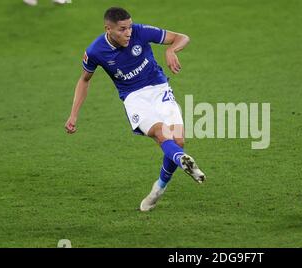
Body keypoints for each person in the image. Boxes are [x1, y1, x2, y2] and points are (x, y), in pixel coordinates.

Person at [64, 7, 206, 212]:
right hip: (134, 98)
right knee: (160, 132)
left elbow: (182, 37)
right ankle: (182, 160)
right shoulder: (95, 51)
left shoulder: (141, 31)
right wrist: (73, 114)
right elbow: (84, 80)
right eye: (122, 29)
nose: (128, 32)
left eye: (129, 27)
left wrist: (171, 50)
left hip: (159, 88)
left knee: (178, 140)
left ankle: (159, 188)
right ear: (108, 29)